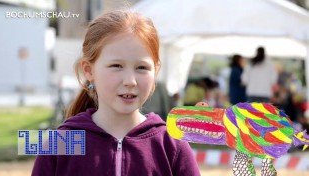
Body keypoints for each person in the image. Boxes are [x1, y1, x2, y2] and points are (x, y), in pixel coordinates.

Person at [32, 10, 200, 176]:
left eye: (142, 67)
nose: (130, 81)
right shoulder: (61, 143)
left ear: (155, 71)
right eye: (116, 66)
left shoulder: (171, 145)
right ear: (89, 70)